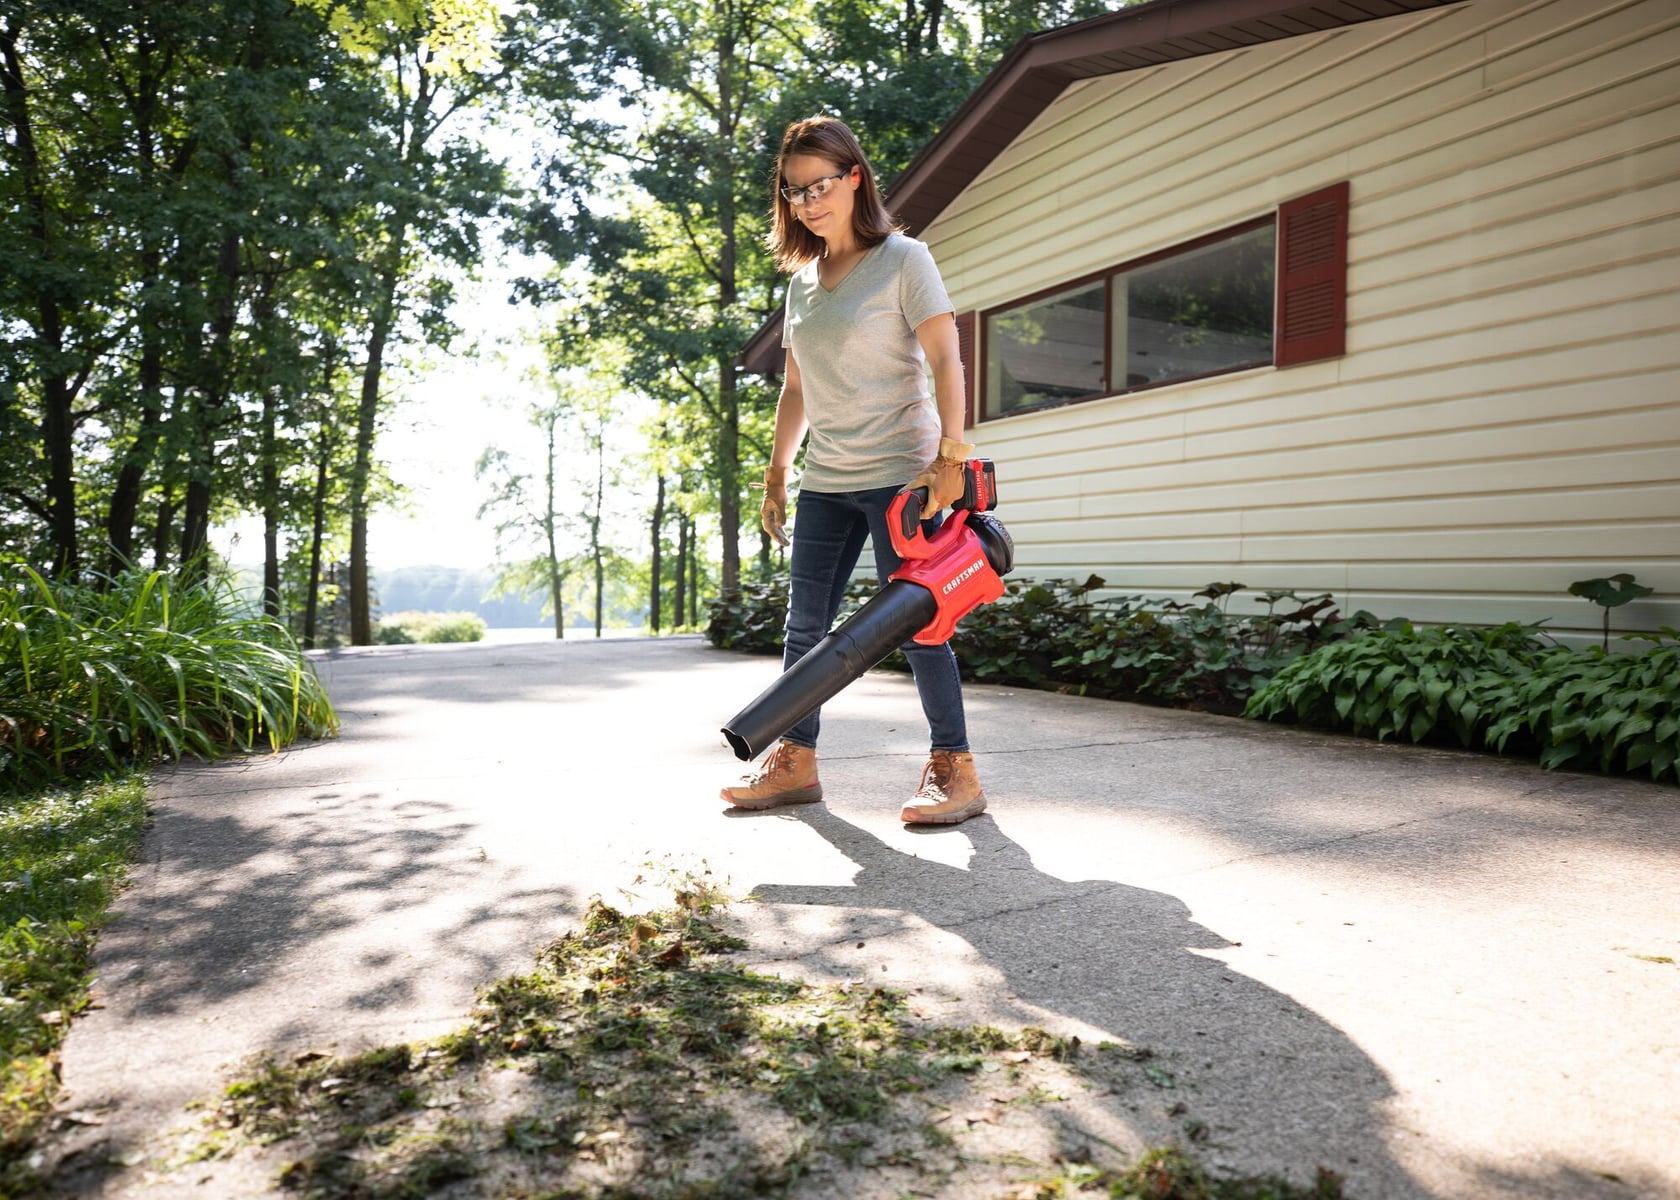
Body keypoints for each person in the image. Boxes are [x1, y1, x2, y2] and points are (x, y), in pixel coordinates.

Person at [720, 115, 986, 826]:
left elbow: (946, 360)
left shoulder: (905, 259)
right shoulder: (801, 284)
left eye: (822, 185)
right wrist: (777, 473)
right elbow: (797, 389)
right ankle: (795, 763)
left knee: (919, 622)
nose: (808, 201)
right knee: (805, 627)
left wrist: (950, 456)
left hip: (906, 476)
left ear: (855, 179)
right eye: (795, 190)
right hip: (828, 480)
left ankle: (953, 768)